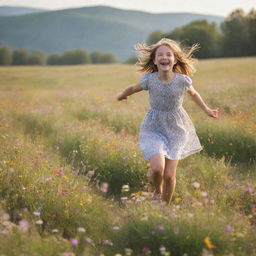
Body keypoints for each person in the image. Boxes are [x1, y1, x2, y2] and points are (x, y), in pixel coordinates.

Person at [117, 38, 219, 205]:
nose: (164, 57)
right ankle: (157, 191)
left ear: (175, 59)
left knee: (169, 175)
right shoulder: (149, 80)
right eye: (160, 55)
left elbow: (193, 94)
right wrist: (122, 95)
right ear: (155, 60)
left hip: (177, 129)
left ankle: (165, 207)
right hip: (154, 127)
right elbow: (132, 88)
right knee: (157, 168)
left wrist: (207, 109)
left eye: (168, 54)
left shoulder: (182, 80)